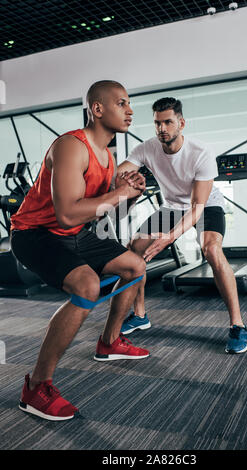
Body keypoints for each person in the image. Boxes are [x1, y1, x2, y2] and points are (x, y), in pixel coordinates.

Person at [10, 80, 150, 421]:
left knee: (135, 267)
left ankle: (110, 342)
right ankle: (36, 387)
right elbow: (69, 212)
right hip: (35, 233)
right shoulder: (72, 146)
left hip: (75, 233)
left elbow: (106, 213)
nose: (129, 110)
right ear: (97, 109)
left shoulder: (108, 155)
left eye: (129, 103)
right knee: (86, 286)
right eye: (121, 103)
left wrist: (129, 195)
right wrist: (118, 194)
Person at [118, 97, 247, 354]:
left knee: (211, 250)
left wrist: (169, 237)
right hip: (171, 206)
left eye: (168, 122)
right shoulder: (147, 148)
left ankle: (238, 325)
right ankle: (140, 315)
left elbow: (196, 208)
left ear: (181, 123)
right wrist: (119, 178)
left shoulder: (201, 153)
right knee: (135, 248)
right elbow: (119, 171)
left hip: (204, 205)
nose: (162, 129)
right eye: (157, 123)